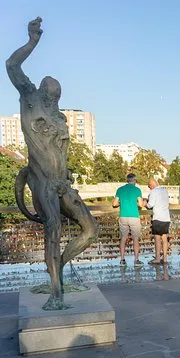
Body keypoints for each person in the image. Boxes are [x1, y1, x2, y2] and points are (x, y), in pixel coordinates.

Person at [8, 17, 97, 309]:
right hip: (43, 182)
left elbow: (61, 152)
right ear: (41, 92)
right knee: (53, 230)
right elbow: (12, 65)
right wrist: (32, 42)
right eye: (51, 95)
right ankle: (56, 295)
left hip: (62, 183)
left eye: (57, 97)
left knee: (90, 231)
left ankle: (58, 266)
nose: (54, 100)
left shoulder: (58, 116)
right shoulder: (29, 100)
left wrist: (67, 171)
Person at [113, 173, 144, 267]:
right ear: (134, 181)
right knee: (135, 239)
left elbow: (114, 204)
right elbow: (141, 204)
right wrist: (135, 203)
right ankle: (136, 260)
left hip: (123, 216)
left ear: (127, 180)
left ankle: (122, 260)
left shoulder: (120, 189)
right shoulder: (137, 190)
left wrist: (121, 203)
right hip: (134, 216)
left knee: (123, 238)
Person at [145, 178, 171, 265]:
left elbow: (150, 205)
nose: (150, 189)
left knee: (157, 238)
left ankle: (157, 258)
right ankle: (165, 258)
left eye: (149, 187)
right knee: (164, 238)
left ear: (151, 185)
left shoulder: (154, 192)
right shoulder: (165, 190)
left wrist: (145, 203)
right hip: (166, 217)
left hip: (158, 218)